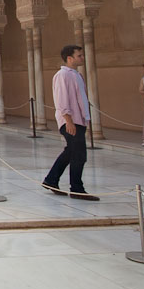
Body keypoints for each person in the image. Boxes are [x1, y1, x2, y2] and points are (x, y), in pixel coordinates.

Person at [43, 45, 100, 201]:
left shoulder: (76, 75)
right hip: (70, 121)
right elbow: (61, 100)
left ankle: (51, 180)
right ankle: (76, 189)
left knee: (71, 152)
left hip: (78, 120)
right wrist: (68, 121)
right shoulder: (63, 75)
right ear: (70, 58)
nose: (82, 58)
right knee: (79, 155)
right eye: (79, 56)